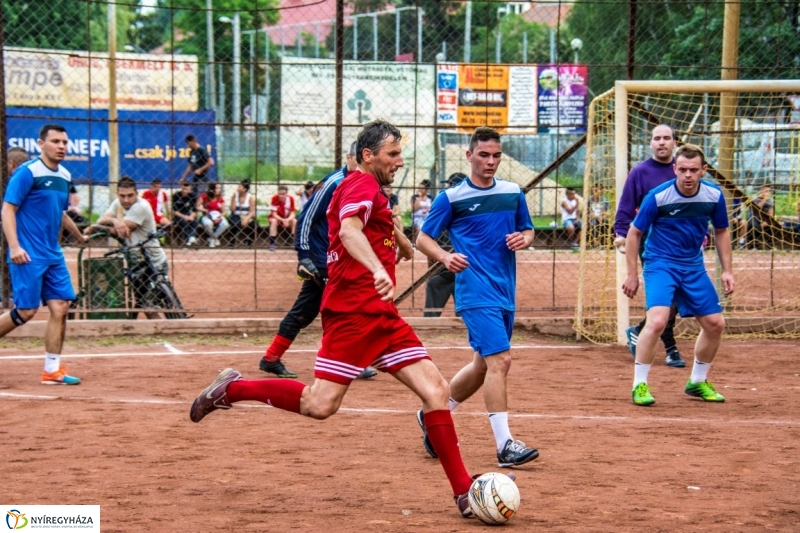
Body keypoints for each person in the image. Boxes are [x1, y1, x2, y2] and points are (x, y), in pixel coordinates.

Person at [190, 120, 503, 519]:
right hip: (353, 313)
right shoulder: (358, 184)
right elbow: (352, 230)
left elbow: (382, 233)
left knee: (437, 392)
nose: (400, 160)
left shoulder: (374, 193)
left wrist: (401, 242)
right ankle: (231, 390)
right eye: (392, 153)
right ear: (368, 156)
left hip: (382, 316)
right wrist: (375, 267)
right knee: (319, 405)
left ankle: (463, 492)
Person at [415, 127, 538, 468]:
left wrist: (523, 239)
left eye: (496, 155)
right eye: (483, 155)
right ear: (469, 156)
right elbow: (423, 238)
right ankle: (505, 445)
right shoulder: (451, 197)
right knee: (501, 362)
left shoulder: (513, 193)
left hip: (504, 291)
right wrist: (444, 257)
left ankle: (434, 414)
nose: (490, 161)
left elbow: (527, 229)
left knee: (483, 364)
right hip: (473, 290)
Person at [622, 144, 734, 406]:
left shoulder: (713, 195)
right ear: (675, 169)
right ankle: (639, 385)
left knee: (716, 324)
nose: (687, 175)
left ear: (703, 170)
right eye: (682, 169)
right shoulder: (658, 196)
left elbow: (721, 231)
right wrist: (632, 274)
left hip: (693, 265)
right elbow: (634, 233)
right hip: (660, 263)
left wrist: (728, 271)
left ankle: (696, 382)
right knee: (658, 321)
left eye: (693, 170)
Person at [260, 142, 376, 380]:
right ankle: (350, 362)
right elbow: (306, 218)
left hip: (338, 259)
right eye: (357, 160)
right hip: (322, 258)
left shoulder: (361, 184)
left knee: (307, 309)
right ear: (349, 157)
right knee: (345, 306)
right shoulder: (333, 183)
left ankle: (271, 358)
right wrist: (303, 256)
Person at [0, 124, 88, 385]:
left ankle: (52, 370)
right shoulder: (27, 172)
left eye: (64, 142)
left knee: (61, 306)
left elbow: (59, 213)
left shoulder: (64, 175)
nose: (61, 146)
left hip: (53, 255)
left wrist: (78, 234)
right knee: (25, 312)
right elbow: (7, 210)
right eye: (55, 141)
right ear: (41, 144)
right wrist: (15, 246)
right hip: (28, 254)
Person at [614, 124, 685, 368]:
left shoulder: (683, 169)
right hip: (651, 244)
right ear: (651, 143)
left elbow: (694, 205)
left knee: (678, 296)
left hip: (683, 244)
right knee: (668, 295)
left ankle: (639, 329)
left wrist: (702, 235)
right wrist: (621, 234)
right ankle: (671, 348)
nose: (662, 142)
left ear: (675, 142)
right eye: (657, 138)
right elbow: (625, 207)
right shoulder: (640, 172)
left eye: (667, 138)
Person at [92, 176, 170, 319]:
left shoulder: (141, 206)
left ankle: (168, 329)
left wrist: (96, 228)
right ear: (118, 194)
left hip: (153, 262)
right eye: (122, 196)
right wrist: (114, 220)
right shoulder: (118, 203)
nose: (126, 200)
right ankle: (162, 329)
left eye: (130, 195)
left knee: (149, 305)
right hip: (137, 263)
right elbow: (101, 220)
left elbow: (119, 231)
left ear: (137, 194)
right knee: (144, 304)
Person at [423, 172, 467, 318]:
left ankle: (430, 320)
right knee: (439, 283)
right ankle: (462, 319)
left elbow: (430, 239)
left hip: (452, 265)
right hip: (459, 264)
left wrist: (433, 269)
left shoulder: (448, 205)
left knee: (435, 283)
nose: (447, 187)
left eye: (449, 184)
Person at [740, 183, 775, 249]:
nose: (767, 193)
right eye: (766, 191)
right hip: (753, 219)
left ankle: (768, 245)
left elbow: (771, 214)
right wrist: (764, 200)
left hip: (763, 221)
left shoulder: (770, 201)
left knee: (771, 225)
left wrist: (766, 222)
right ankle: (752, 245)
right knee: (754, 224)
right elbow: (756, 209)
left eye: (769, 191)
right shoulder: (755, 199)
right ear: (761, 191)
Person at [197, 182, 229, 248]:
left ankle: (212, 238)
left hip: (217, 215)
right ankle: (214, 239)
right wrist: (204, 210)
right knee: (208, 224)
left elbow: (224, 211)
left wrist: (220, 216)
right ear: (212, 189)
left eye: (220, 188)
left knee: (225, 224)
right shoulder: (204, 196)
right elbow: (197, 206)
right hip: (207, 215)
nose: (219, 190)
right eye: (217, 188)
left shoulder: (220, 198)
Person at [228, 179, 257, 247]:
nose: (238, 187)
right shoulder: (235, 195)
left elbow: (252, 211)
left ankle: (248, 239)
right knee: (234, 223)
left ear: (244, 189)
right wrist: (233, 198)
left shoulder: (249, 197)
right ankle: (231, 239)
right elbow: (232, 209)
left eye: (240, 186)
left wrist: (246, 219)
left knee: (254, 224)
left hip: (246, 215)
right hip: (236, 214)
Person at [268, 185, 297, 251]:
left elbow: (293, 213)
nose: (281, 196)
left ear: (286, 194)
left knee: (294, 221)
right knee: (274, 221)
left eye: (283, 194)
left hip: (287, 218)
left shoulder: (290, 199)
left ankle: (293, 241)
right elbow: (274, 213)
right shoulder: (275, 198)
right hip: (277, 218)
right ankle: (272, 243)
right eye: (280, 194)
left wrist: (287, 219)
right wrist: (282, 220)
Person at [171, 181, 199, 246]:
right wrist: (184, 217)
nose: (184, 191)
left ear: (190, 189)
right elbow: (175, 211)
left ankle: (190, 239)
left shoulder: (193, 196)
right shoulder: (176, 196)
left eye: (186, 189)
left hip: (188, 213)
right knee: (183, 222)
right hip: (179, 215)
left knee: (194, 222)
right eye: (183, 189)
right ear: (181, 188)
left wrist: (191, 216)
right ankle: (191, 238)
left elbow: (195, 210)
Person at [411, 180, 433, 244]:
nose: (419, 190)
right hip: (417, 217)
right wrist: (420, 197)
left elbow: (432, 208)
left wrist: (427, 209)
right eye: (419, 188)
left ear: (426, 190)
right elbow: (414, 208)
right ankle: (415, 244)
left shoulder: (430, 198)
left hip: (427, 217)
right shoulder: (415, 197)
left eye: (422, 188)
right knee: (420, 229)